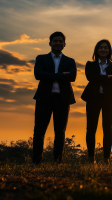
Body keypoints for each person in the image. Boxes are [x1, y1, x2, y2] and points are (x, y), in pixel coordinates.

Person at [32, 31, 77, 164]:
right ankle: (36, 162)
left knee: (60, 132)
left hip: (63, 99)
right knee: (39, 131)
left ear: (64, 44)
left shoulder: (70, 61)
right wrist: (62, 75)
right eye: (55, 41)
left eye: (60, 41)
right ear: (50, 43)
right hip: (44, 98)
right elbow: (38, 75)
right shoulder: (41, 58)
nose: (58, 43)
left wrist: (49, 75)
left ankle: (57, 162)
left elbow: (72, 77)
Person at [81, 39, 112, 164]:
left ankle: (106, 159)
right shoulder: (90, 64)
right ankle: (91, 159)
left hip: (109, 99)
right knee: (91, 129)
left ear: (109, 50)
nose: (103, 50)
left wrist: (99, 78)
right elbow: (90, 77)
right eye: (101, 47)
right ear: (96, 50)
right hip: (93, 98)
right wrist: (108, 77)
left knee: (107, 129)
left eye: (106, 47)